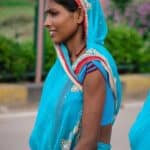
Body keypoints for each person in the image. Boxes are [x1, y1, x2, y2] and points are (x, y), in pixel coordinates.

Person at [29, 0, 122, 149]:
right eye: (47, 15)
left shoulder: (92, 69)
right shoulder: (62, 67)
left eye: (54, 14)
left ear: (79, 15)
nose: (46, 23)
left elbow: (88, 142)